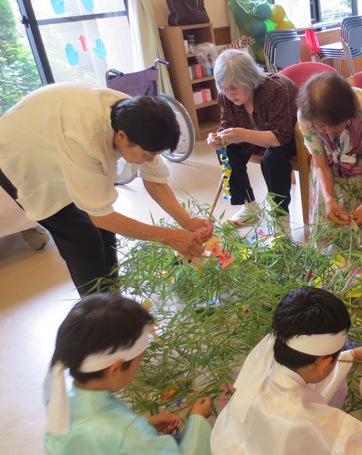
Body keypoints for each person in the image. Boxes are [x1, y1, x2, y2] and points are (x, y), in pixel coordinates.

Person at [0, 84, 212, 296]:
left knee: (105, 232)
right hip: (21, 153)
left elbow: (155, 180)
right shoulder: (85, 138)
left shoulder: (139, 119)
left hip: (53, 132)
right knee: (82, 237)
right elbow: (100, 216)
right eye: (147, 154)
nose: (149, 160)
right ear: (122, 136)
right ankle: (99, 311)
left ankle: (112, 297)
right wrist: (168, 236)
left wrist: (187, 222)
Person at [210, 286, 362, 454]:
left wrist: (351, 355)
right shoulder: (316, 423)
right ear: (323, 364)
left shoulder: (263, 368)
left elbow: (310, 376)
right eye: (337, 355)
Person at [44, 293, 213, 454]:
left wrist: (144, 426)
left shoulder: (61, 402)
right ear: (115, 369)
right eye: (138, 362)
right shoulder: (129, 436)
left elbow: (95, 443)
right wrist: (197, 420)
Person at [297, 72, 362, 253]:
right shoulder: (307, 115)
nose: (326, 130)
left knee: (356, 232)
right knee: (326, 223)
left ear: (347, 115)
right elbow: (321, 165)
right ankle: (331, 259)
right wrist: (328, 199)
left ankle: (354, 254)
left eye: (332, 126)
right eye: (321, 125)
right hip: (328, 163)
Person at [207, 50, 299, 226]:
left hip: (291, 135)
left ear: (249, 80)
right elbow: (227, 124)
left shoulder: (273, 89)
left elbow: (281, 136)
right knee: (225, 150)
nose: (229, 93)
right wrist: (218, 137)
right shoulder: (225, 96)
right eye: (224, 87)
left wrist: (242, 134)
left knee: (272, 160)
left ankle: (281, 219)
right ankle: (248, 206)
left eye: (234, 87)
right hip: (257, 133)